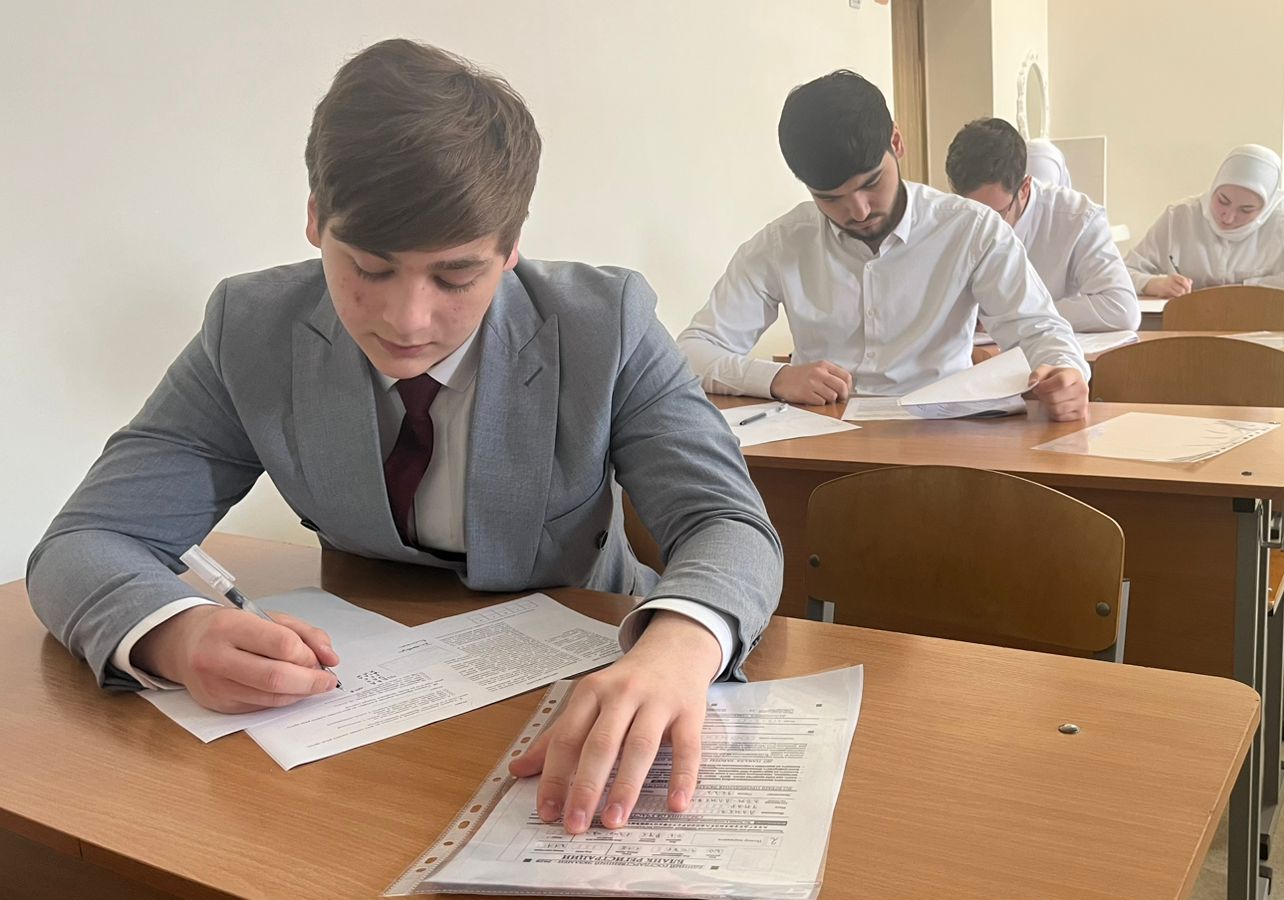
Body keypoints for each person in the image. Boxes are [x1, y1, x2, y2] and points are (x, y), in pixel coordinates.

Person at [25, 39, 781, 838]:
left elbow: (726, 521)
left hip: (587, 675)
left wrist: (679, 647)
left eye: (456, 276)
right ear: (315, 220)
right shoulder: (250, 331)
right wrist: (178, 633)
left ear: (510, 246)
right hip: (355, 717)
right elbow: (86, 541)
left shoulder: (605, 324)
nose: (407, 319)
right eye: (370, 268)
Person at [675, 71, 1089, 420]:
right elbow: (691, 351)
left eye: (871, 183)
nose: (858, 210)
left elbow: (1040, 328)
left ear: (897, 141)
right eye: (830, 198)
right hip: (820, 442)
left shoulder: (971, 229)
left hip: (944, 435)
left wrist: (1067, 372)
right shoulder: (783, 243)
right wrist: (777, 378)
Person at [946, 118, 1140, 332]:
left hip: (1048, 348)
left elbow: (1122, 309)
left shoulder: (1077, 218)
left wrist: (1020, 315)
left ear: (1024, 189)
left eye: (995, 214)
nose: (983, 226)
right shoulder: (949, 215)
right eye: (971, 212)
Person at [1124, 144, 1284, 299]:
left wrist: (1247, 288)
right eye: (1222, 201)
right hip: (1187, 330)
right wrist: (1153, 283)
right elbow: (1121, 273)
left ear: (1267, 206)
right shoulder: (1181, 215)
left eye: (1246, 210)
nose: (1227, 217)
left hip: (1264, 328)